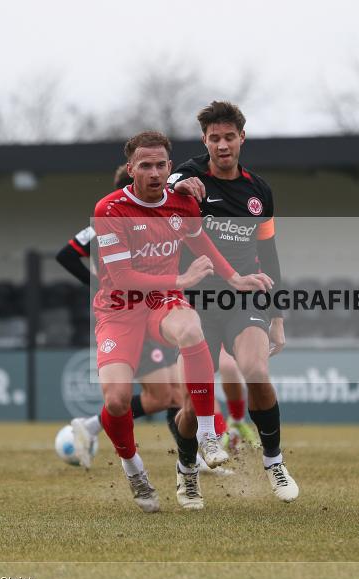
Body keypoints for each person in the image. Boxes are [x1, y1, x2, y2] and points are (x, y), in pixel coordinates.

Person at [91, 131, 271, 512]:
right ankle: (132, 466)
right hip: (119, 309)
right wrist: (182, 281)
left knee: (191, 328)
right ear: (131, 169)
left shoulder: (182, 203)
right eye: (145, 165)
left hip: (161, 301)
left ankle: (207, 433)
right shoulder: (110, 209)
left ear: (169, 168)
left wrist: (233, 278)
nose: (153, 172)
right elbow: (122, 280)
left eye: (160, 165)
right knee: (118, 400)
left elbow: (199, 240)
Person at [56, 165, 231, 474]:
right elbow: (67, 255)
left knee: (169, 393)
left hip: (154, 309)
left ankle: (97, 428)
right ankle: (186, 457)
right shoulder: (110, 219)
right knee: (164, 394)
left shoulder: (155, 221)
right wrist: (97, 284)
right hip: (124, 313)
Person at [169, 101, 297, 502]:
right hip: (194, 302)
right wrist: (177, 185)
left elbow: (270, 255)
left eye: (228, 137)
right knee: (194, 404)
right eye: (213, 138)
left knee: (256, 370)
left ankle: (274, 462)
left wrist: (277, 316)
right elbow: (167, 182)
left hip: (245, 297)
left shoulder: (259, 191)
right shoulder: (190, 175)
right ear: (204, 141)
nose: (221, 145)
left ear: (242, 137)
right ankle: (186, 467)